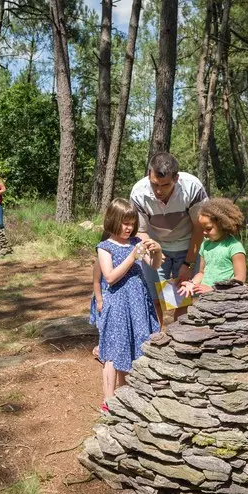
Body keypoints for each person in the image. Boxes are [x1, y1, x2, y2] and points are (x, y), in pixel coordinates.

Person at [93, 198, 161, 413]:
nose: (129, 228)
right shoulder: (105, 247)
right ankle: (109, 401)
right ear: (113, 221)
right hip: (118, 304)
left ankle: (129, 393)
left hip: (138, 302)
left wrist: (156, 250)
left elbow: (154, 264)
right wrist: (133, 256)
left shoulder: (134, 243)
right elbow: (110, 277)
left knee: (135, 344)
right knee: (113, 349)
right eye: (125, 223)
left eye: (132, 223)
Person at [130, 152, 208, 329]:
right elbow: (140, 231)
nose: (158, 191)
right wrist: (155, 252)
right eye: (154, 184)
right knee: (154, 298)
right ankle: (155, 341)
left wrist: (188, 264)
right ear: (149, 174)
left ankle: (177, 341)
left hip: (187, 244)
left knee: (180, 300)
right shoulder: (138, 192)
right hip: (155, 245)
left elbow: (199, 228)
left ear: (176, 178)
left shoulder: (192, 188)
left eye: (164, 185)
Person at [179, 198, 247, 296]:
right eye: (202, 228)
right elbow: (202, 273)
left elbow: (240, 278)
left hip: (227, 299)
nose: (204, 232)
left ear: (223, 224)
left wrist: (214, 289)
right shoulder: (205, 245)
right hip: (205, 297)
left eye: (208, 228)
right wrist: (192, 283)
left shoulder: (234, 247)